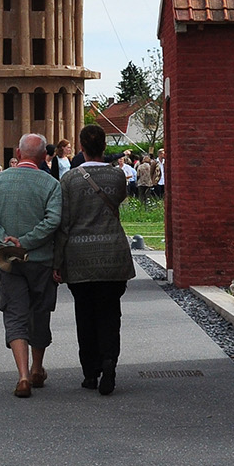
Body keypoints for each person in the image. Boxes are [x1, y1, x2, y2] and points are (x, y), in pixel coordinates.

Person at [0, 133, 63, 398]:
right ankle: (38, 368)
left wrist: (7, 242)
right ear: (43, 157)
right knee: (40, 312)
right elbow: (53, 221)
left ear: (18, 152)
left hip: (8, 261)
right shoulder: (50, 184)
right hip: (40, 260)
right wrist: (27, 242)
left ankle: (23, 375)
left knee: (15, 313)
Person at [58, 124, 135, 394]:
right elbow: (119, 200)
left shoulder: (69, 179)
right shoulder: (117, 177)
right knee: (110, 312)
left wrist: (58, 262)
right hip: (113, 255)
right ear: (104, 147)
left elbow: (64, 222)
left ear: (81, 147)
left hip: (79, 258)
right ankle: (109, 360)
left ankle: (90, 373)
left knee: (85, 315)